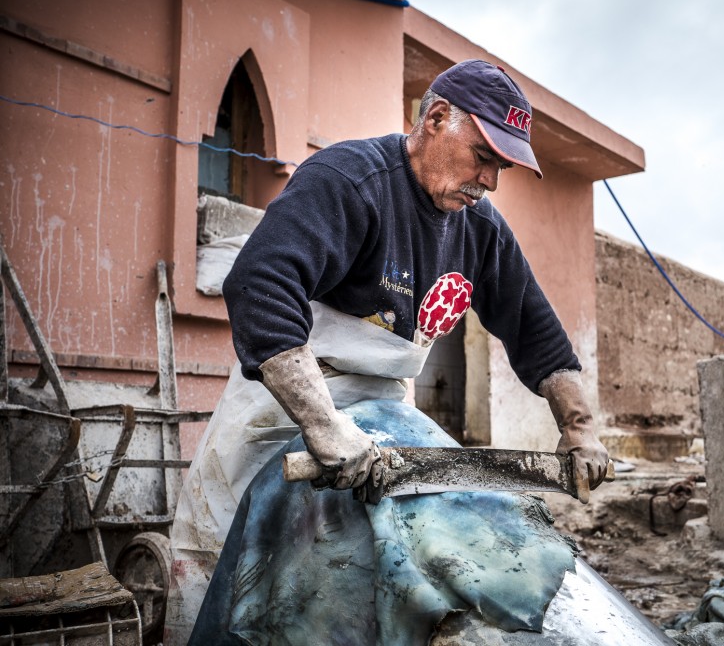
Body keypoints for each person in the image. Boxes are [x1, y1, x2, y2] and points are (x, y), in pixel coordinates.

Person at [164, 59, 610, 644]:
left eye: (500, 167)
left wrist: (579, 428)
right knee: (224, 563)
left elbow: (536, 330)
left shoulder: (481, 229)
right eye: (483, 156)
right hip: (286, 406)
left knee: (373, 572)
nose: (491, 182)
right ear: (437, 119)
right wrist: (323, 426)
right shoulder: (350, 180)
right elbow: (260, 283)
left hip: (385, 417)